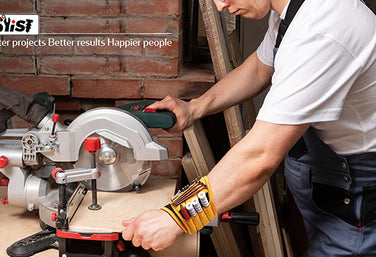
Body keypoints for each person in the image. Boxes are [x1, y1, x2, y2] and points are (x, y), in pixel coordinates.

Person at [122, 0, 376, 255]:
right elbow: (259, 68)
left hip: (358, 196)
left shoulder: (320, 30)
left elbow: (260, 155)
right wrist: (195, 107)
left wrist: (178, 216)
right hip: (333, 182)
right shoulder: (293, 11)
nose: (220, 5)